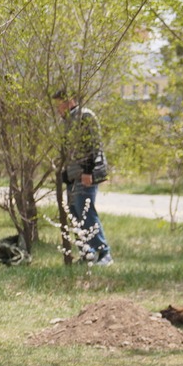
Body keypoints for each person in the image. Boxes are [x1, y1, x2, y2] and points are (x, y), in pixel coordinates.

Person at [53, 92, 111, 263]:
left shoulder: (85, 116)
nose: (58, 109)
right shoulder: (67, 122)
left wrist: (88, 171)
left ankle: (103, 252)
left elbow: (94, 144)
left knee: (86, 212)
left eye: (60, 104)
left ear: (69, 101)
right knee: (75, 214)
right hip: (73, 176)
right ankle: (87, 254)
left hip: (86, 175)